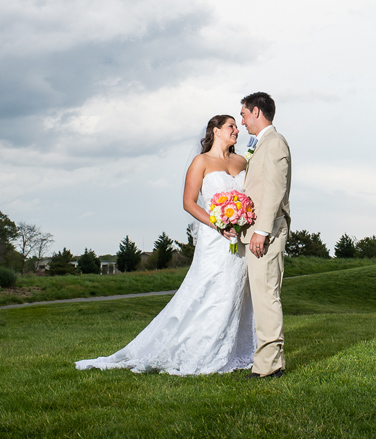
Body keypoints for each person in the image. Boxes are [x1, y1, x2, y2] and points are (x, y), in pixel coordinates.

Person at [74, 115, 256, 375]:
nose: (237, 130)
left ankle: (238, 348)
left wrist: (242, 217)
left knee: (238, 289)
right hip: (215, 237)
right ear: (216, 131)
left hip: (239, 238)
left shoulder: (242, 161)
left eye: (237, 127)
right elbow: (189, 203)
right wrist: (219, 224)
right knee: (209, 288)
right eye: (231, 126)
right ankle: (200, 346)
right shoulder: (201, 162)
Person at [238, 92, 292, 379]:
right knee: (262, 297)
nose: (242, 121)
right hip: (257, 232)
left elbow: (274, 189)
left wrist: (261, 230)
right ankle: (272, 362)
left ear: (257, 112)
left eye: (244, 114)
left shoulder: (274, 143)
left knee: (267, 297)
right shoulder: (260, 144)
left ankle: (269, 367)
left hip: (266, 234)